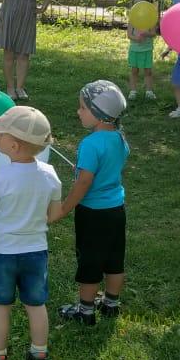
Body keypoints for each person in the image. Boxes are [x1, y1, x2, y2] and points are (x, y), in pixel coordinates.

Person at [0, 106, 61, 360]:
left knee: (0, 306)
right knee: (36, 304)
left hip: (2, 252)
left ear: (12, 146)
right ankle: (39, 352)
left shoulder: (0, 178)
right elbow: (55, 213)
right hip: (36, 251)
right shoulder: (50, 174)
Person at [57, 81, 130, 325]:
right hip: (116, 210)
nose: (78, 112)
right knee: (114, 258)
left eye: (82, 108)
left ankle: (85, 310)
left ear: (98, 115)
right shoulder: (119, 138)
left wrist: (65, 207)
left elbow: (84, 182)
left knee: (90, 259)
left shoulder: (90, 144)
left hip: (92, 213)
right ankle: (111, 303)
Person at [126, 0, 158, 101]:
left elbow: (154, 33)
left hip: (147, 49)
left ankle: (149, 91)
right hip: (135, 49)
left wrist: (146, 33)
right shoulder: (132, 20)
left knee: (148, 71)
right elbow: (129, 34)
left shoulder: (151, 19)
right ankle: (133, 91)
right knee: (134, 71)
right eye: (136, 5)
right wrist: (136, 38)